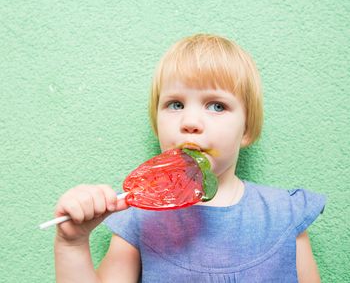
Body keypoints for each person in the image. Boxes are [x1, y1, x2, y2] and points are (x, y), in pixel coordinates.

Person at [54, 34, 326, 282]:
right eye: (176, 104)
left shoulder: (283, 214)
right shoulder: (138, 215)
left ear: (247, 129)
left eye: (217, 106)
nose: (190, 122)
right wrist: (73, 244)